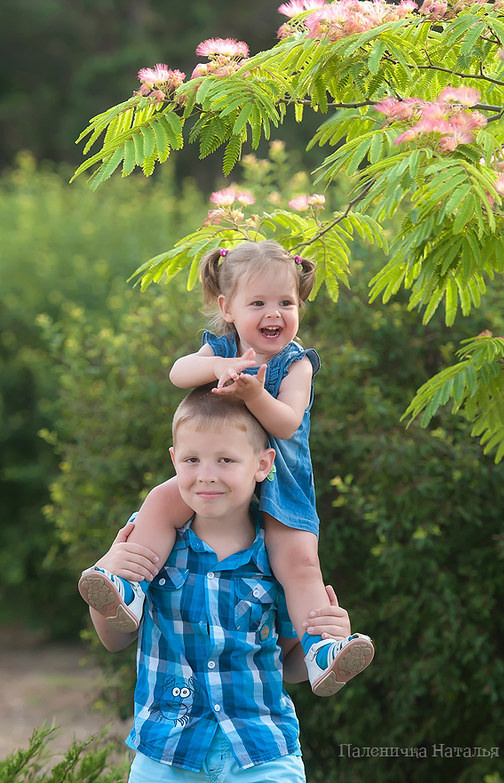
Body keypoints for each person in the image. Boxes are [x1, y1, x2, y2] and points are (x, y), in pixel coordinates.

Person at [79, 240, 374, 696]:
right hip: (212, 473)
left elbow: (287, 421)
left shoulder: (296, 365)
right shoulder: (220, 348)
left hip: (280, 482)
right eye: (258, 303)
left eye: (286, 302)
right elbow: (179, 372)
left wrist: (255, 392)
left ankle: (322, 648)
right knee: (160, 501)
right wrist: (219, 365)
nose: (273, 313)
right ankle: (129, 588)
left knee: (299, 563)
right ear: (228, 307)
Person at [89, 387, 354, 782]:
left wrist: (331, 640)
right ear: (174, 460)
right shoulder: (153, 538)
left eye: (226, 460)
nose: (206, 475)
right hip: (167, 751)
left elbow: (289, 666)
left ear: (262, 464)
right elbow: (115, 639)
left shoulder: (279, 558)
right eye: (191, 459)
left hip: (263, 749)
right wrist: (106, 579)